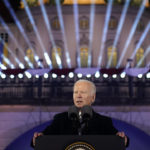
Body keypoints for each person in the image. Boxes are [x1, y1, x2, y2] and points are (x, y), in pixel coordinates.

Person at [32, 79, 129, 147]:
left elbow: (118, 140)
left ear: (93, 97)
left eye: (83, 92)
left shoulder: (104, 122)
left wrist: (123, 139)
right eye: (75, 92)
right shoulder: (60, 119)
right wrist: (37, 139)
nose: (78, 96)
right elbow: (42, 139)